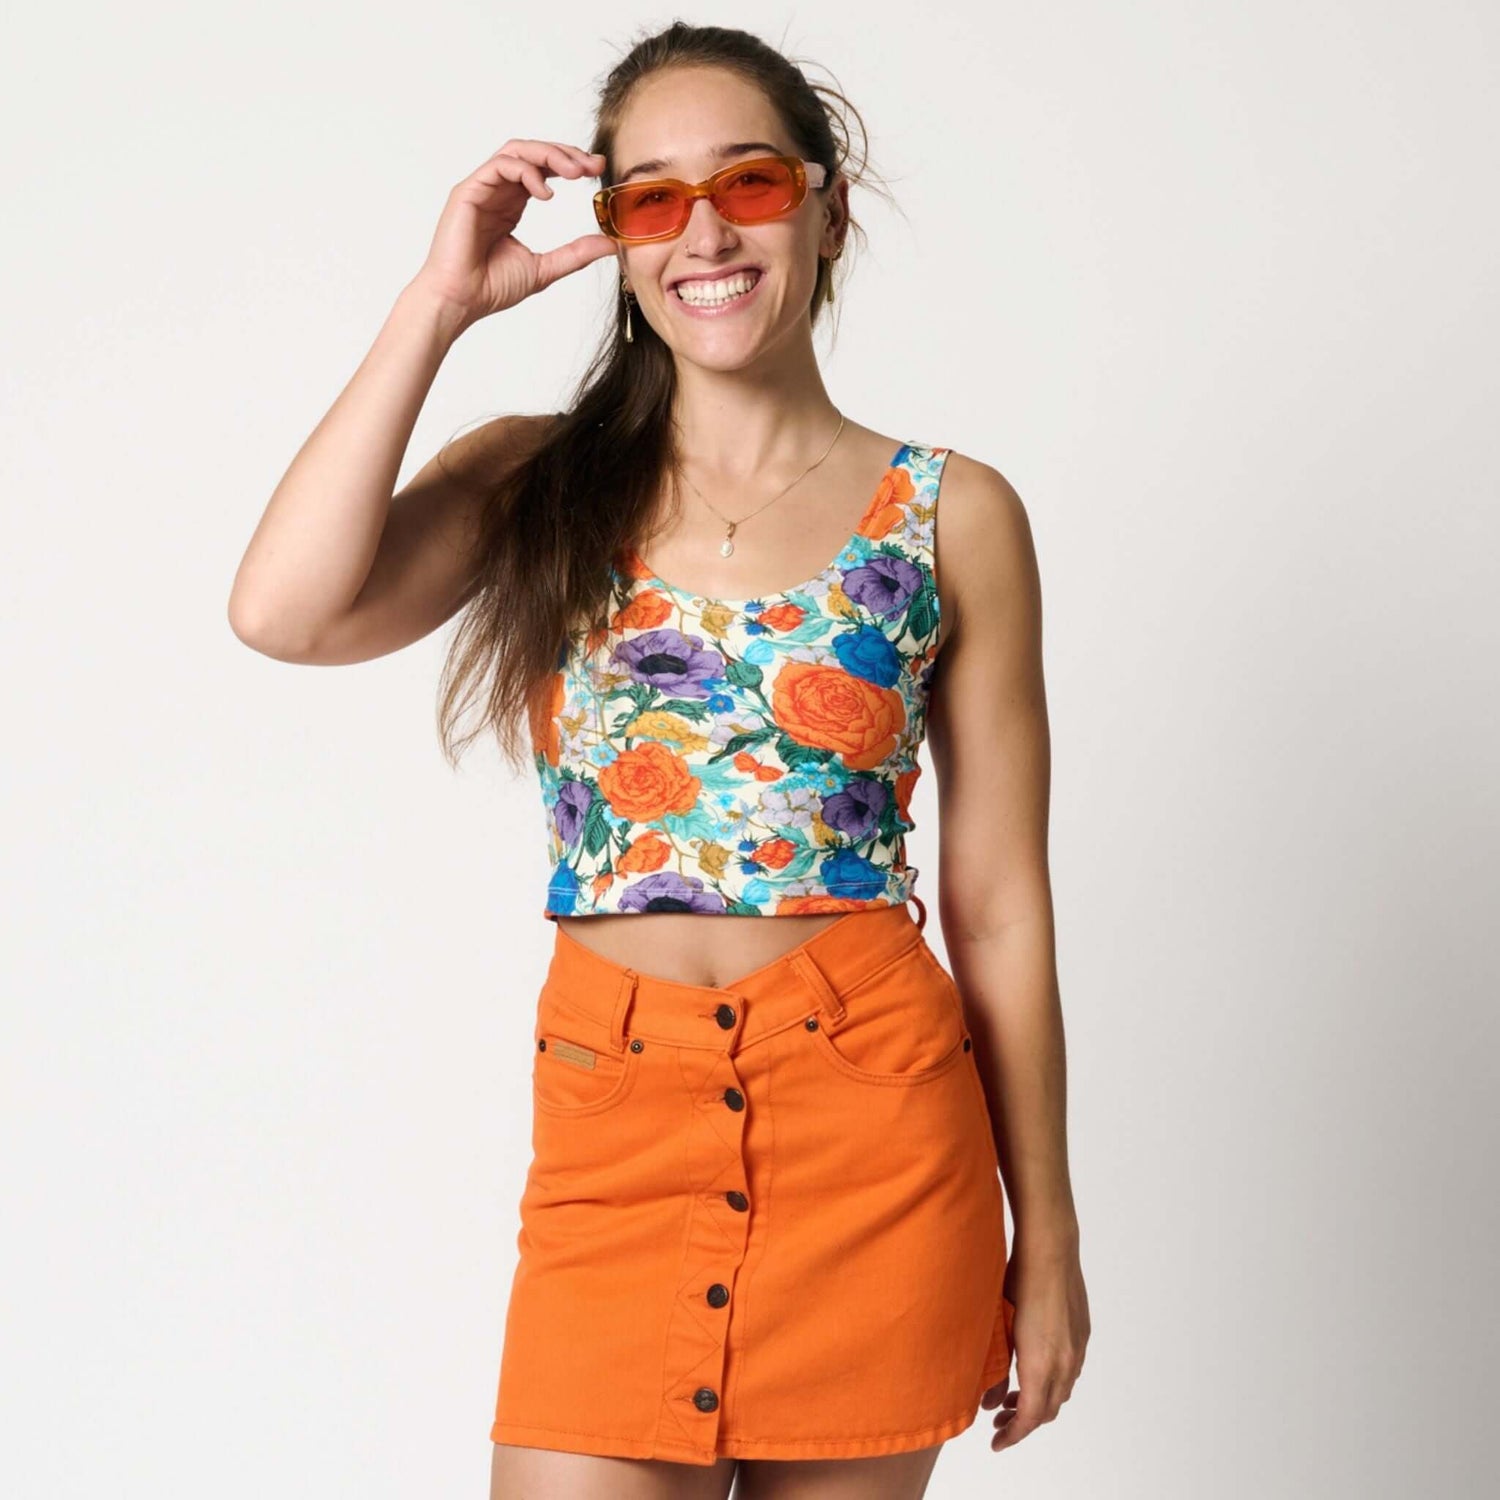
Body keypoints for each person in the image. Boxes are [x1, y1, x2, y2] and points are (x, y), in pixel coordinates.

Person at [228, 20, 1088, 1500]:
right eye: (652, 199)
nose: (704, 233)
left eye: (748, 183)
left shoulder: (954, 512)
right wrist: (438, 305)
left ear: (826, 208)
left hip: (877, 1124)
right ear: (617, 237)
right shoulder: (534, 476)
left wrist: (1049, 1238)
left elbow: (1002, 904)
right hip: (614, 1121)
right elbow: (283, 614)